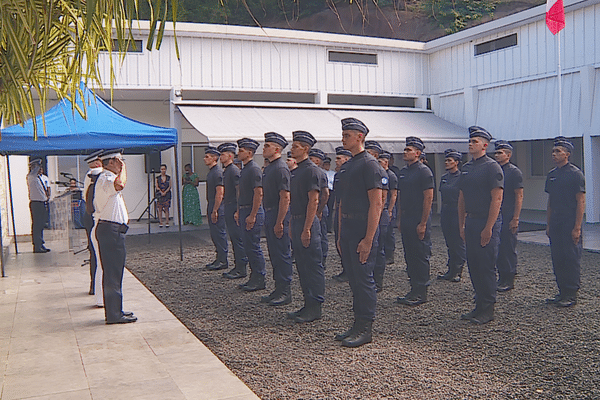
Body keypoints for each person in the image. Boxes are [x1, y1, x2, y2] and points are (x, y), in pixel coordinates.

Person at [335, 118, 385, 348]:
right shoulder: (347, 165)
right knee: (354, 279)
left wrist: (368, 238)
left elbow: (376, 204)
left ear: (360, 137)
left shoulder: (370, 164)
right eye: (343, 134)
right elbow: (342, 202)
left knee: (364, 280)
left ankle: (366, 328)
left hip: (362, 228)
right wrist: (340, 234)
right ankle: (356, 324)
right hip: (348, 228)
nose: (343, 138)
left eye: (347, 135)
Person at [458, 126, 503, 325]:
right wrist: (462, 224)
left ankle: (488, 308)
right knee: (474, 265)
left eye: (475, 141)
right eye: (470, 141)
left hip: (486, 220)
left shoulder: (492, 167)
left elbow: (497, 198)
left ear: (485, 145)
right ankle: (478, 305)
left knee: (486, 266)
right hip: (472, 220)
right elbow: (462, 198)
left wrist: (489, 227)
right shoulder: (467, 168)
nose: (471, 144)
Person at [93, 149, 137, 324]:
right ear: (110, 162)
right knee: (112, 273)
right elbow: (120, 184)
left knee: (115, 273)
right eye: (119, 160)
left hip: (113, 231)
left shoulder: (107, 178)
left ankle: (116, 310)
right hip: (109, 231)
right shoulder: (106, 178)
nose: (121, 163)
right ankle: (113, 314)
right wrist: (124, 168)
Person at [286, 131, 325, 323]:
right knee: (301, 264)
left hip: (307, 222)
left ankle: (315, 306)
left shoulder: (311, 170)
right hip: (297, 219)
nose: (292, 148)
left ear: (306, 149)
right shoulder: (297, 170)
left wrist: (307, 228)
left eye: (296, 146)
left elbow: (314, 200)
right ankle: (307, 302)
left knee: (312, 266)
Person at [545, 136, 585, 308]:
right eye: (553, 151)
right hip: (556, 220)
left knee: (570, 257)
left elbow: (581, 201)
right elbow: (550, 202)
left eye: (558, 151)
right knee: (558, 257)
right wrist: (548, 224)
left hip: (569, 219)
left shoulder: (575, 174)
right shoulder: (552, 175)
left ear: (567, 154)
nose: (554, 154)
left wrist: (577, 227)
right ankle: (561, 291)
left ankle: (571, 293)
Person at [395, 137, 434, 306]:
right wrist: (400, 219)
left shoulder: (424, 171)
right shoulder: (404, 171)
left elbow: (428, 198)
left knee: (420, 255)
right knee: (409, 255)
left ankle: (421, 291)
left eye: (409, 150)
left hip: (419, 216)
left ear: (418, 153)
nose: (405, 152)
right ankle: (413, 288)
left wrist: (423, 222)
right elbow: (401, 197)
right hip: (407, 217)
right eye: (405, 149)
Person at [260, 132, 294, 306]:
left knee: (282, 253)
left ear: (277, 149)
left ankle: (285, 291)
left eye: (267, 146)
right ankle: (278, 288)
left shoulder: (280, 168)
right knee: (274, 252)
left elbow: (285, 197)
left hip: (278, 213)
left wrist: (280, 221)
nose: (264, 148)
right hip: (270, 211)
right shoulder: (271, 167)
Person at [235, 138, 267, 292]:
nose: (238, 153)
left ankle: (259, 278)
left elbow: (258, 193)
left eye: (241, 150)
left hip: (251, 210)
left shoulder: (253, 169)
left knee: (253, 246)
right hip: (244, 209)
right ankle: (253, 277)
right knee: (247, 246)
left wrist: (253, 215)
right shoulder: (245, 168)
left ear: (249, 152)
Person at [494, 140, 523, 292]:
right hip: (497, 214)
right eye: (496, 152)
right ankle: (501, 276)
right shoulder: (495, 170)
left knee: (508, 247)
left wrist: (516, 218)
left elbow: (519, 195)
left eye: (500, 153)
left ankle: (509, 278)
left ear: (509, 155)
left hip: (508, 213)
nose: (497, 155)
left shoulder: (514, 172)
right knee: (498, 247)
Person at [219, 143, 249, 279]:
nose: (221, 157)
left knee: (237, 239)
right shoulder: (227, 170)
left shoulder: (233, 171)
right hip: (229, 205)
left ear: (230, 156)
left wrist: (237, 210)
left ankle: (241, 267)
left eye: (223, 154)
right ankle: (237, 265)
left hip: (233, 206)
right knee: (234, 238)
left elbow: (238, 191)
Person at [437, 149, 466, 282]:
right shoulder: (444, 178)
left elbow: (464, 198)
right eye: (446, 160)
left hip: (456, 211)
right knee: (449, 242)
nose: (446, 163)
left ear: (457, 162)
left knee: (457, 242)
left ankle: (458, 270)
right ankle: (450, 269)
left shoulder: (461, 178)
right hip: (446, 211)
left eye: (450, 160)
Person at [375, 150, 397, 292]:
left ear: (386, 162)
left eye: (381, 161)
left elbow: (393, 195)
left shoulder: (390, 176)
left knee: (386, 236)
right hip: (379, 209)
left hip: (386, 208)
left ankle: (390, 255)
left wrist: (389, 210)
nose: (379, 163)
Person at [83, 150, 104, 296]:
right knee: (100, 253)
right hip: (97, 216)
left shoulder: (88, 175)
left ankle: (93, 285)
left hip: (89, 215)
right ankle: (98, 287)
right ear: (98, 162)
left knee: (93, 252)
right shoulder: (98, 173)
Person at [204, 146, 229, 271]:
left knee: (219, 233)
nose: (204, 159)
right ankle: (219, 257)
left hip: (217, 205)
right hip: (212, 204)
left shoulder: (217, 172)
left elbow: (220, 192)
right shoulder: (212, 172)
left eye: (207, 157)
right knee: (214, 233)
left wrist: (215, 210)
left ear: (215, 158)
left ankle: (223, 259)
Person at [332, 146, 352, 283]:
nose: (336, 161)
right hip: (338, 208)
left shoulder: (350, 172)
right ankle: (345, 268)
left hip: (348, 209)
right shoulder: (338, 174)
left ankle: (350, 270)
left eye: (339, 158)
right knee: (338, 239)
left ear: (346, 159)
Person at [308, 148, 330, 267]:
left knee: (321, 234)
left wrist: (320, 210)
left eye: (311, 159)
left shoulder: (320, 173)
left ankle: (322, 259)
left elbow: (325, 194)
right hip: (312, 206)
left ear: (317, 161)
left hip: (319, 206)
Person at [27, 158, 51, 253]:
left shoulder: (39, 177)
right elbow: (35, 169)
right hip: (36, 203)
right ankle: (37, 245)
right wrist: (37, 164)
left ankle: (41, 243)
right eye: (38, 166)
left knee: (41, 225)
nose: (40, 168)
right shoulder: (31, 176)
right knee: (37, 225)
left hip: (41, 203)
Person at [387, 154, 402, 265]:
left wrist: (391, 209)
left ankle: (390, 254)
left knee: (389, 232)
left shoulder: (392, 174)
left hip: (389, 205)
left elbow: (394, 193)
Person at [156, 164, 172, 228]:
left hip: (167, 194)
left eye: (164, 169)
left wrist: (165, 192)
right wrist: (161, 191)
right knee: (160, 209)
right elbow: (157, 186)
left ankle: (167, 222)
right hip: (160, 195)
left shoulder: (168, 177)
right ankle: (161, 222)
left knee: (167, 209)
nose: (163, 170)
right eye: (162, 169)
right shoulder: (157, 178)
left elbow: (169, 186)